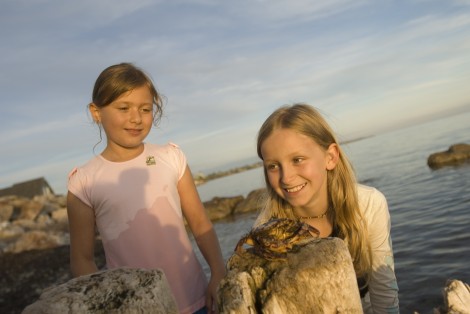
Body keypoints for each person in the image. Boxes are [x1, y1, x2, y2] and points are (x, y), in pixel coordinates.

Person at [67, 62, 226, 314]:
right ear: (96, 112)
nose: (136, 118)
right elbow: (82, 259)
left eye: (145, 108)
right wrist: (109, 306)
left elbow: (200, 222)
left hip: (197, 299)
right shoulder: (84, 181)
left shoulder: (171, 157)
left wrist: (218, 273)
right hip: (137, 308)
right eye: (123, 108)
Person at [254, 103, 399, 313]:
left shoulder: (368, 204)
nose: (286, 177)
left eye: (298, 159)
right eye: (273, 166)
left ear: (330, 157)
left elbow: (384, 287)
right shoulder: (266, 227)